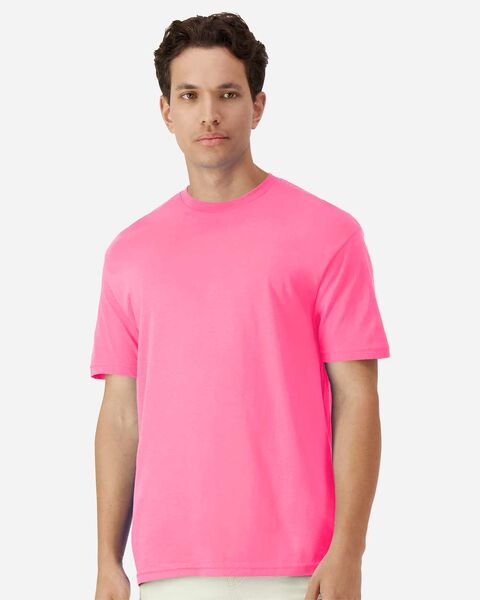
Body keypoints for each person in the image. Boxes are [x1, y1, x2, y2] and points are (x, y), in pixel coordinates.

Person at [90, 12, 390, 600]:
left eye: (228, 94)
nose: (209, 114)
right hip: (170, 568)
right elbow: (121, 413)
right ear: (166, 111)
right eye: (190, 95)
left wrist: (348, 550)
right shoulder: (130, 254)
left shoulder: (328, 234)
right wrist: (106, 559)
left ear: (257, 106)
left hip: (303, 567)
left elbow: (358, 398)